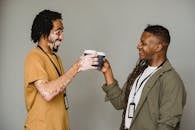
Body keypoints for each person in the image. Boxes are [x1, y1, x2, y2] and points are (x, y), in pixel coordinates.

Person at [100, 25, 186, 130]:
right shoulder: (139, 72)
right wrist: (107, 72)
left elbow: (167, 124)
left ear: (158, 47)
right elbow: (119, 102)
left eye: (143, 43)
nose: (138, 46)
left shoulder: (171, 80)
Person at [24, 9, 98, 130]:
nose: (62, 37)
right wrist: (77, 66)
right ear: (44, 32)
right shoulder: (33, 57)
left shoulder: (56, 58)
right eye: (58, 32)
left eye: (62, 32)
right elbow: (47, 93)